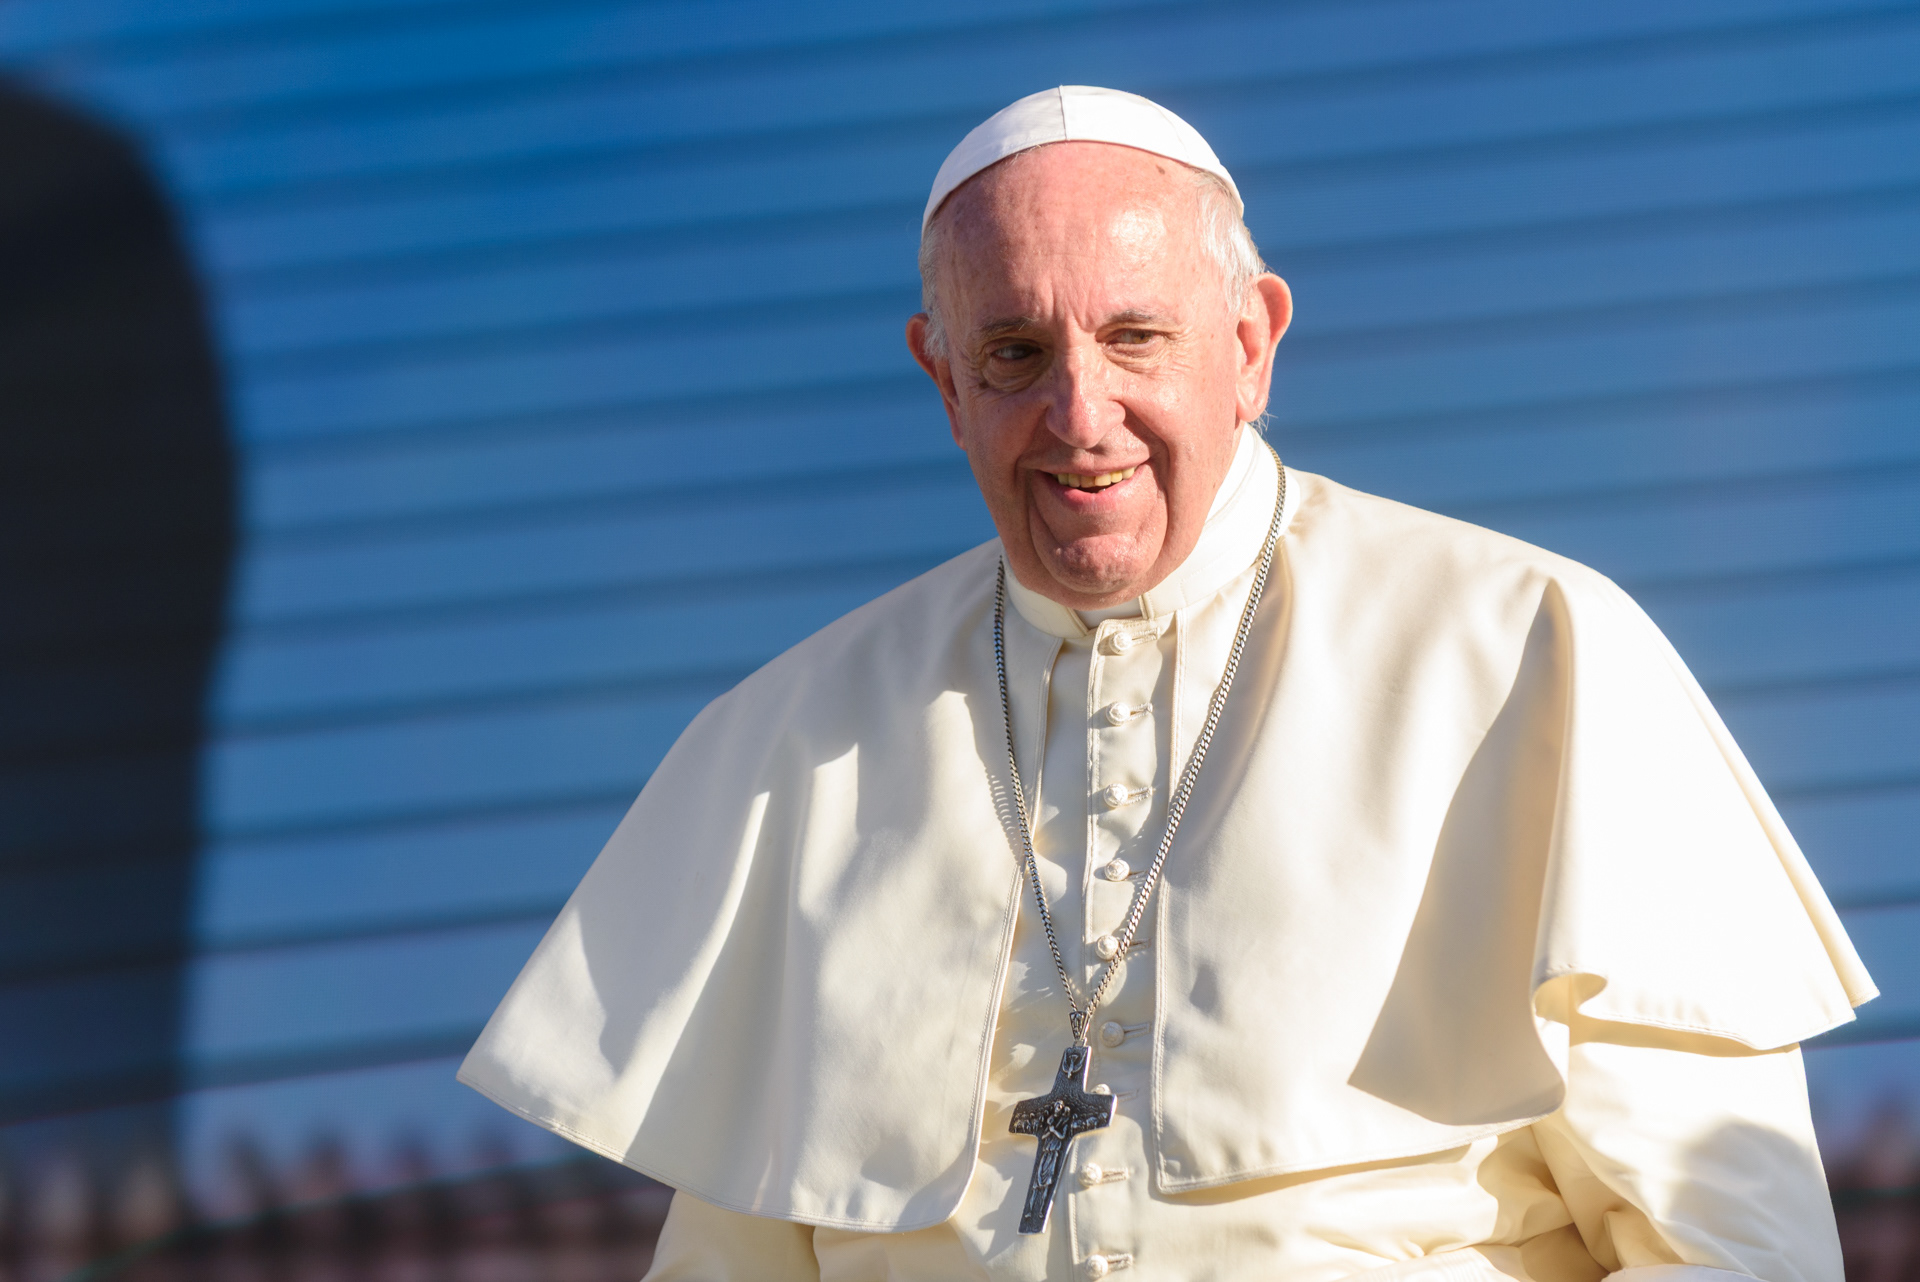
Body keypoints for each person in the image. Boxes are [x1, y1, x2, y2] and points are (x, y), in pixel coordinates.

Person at [458, 86, 1875, 1282]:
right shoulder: (787, 746)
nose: (1082, 416)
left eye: (1137, 337)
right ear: (942, 378)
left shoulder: (1527, 653)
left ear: (1251, 343)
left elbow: (1732, 1241)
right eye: (1014, 352)